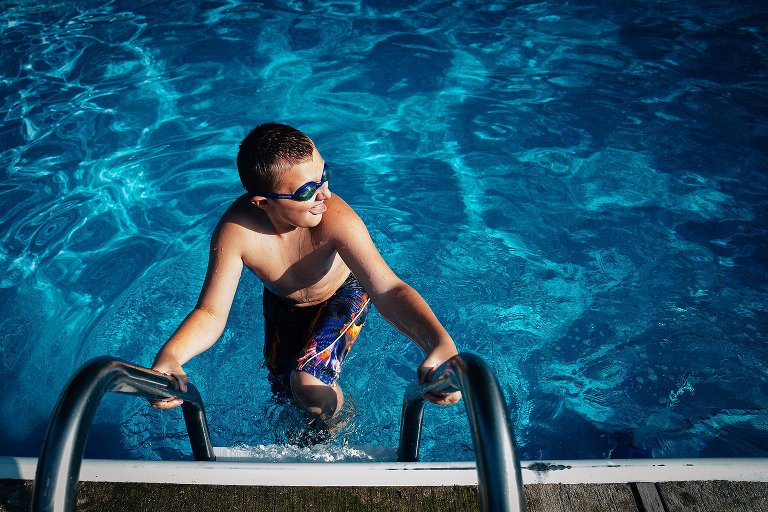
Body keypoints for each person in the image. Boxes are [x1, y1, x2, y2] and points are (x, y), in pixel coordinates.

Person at [151, 123, 461, 424]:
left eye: (324, 176)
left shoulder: (336, 220)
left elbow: (389, 289)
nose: (325, 194)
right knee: (285, 395)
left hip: (343, 294)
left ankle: (340, 423)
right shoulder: (238, 232)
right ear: (264, 203)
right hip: (284, 305)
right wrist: (171, 356)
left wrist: (439, 343)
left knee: (308, 384)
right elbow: (210, 313)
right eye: (307, 191)